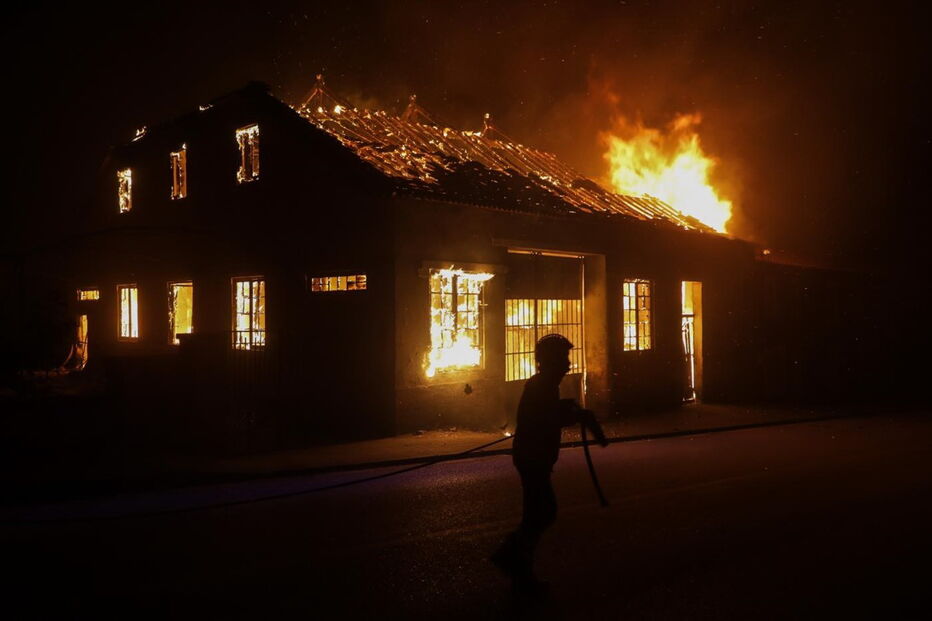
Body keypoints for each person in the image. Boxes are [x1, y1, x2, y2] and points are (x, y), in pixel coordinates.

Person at [491, 333, 608, 595]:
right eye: (563, 358)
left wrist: (574, 412)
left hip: (535, 456)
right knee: (542, 512)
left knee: (539, 513)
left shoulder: (544, 384)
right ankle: (512, 558)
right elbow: (546, 417)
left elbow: (550, 410)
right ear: (550, 360)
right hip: (532, 457)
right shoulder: (541, 385)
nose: (567, 364)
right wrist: (575, 415)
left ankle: (518, 566)